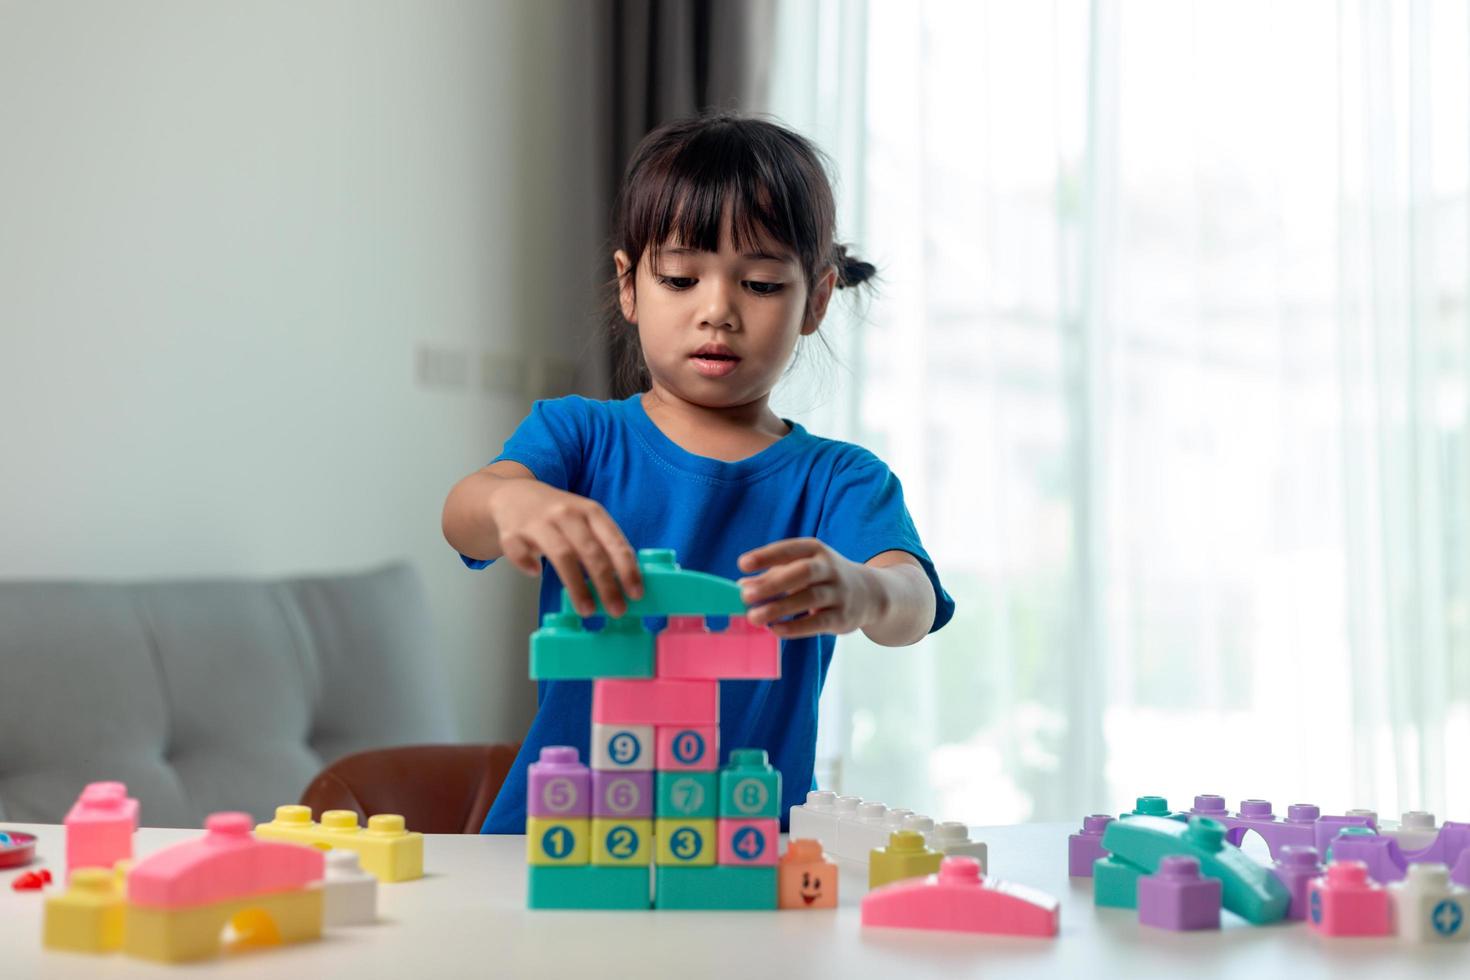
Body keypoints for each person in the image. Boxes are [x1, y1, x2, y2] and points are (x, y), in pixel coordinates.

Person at [443, 110, 955, 834]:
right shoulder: (578, 436)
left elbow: (916, 601)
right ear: (630, 287)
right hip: (558, 843)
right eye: (681, 278)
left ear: (816, 299)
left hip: (742, 854)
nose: (718, 311)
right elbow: (465, 510)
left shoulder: (841, 479)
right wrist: (513, 504)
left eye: (762, 285)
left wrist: (866, 590)